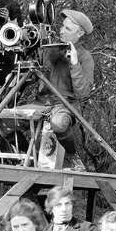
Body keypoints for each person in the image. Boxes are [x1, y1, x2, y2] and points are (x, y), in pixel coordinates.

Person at [35, 9, 94, 172]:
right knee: (5, 122)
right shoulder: (48, 49)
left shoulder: (85, 57)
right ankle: (30, 157)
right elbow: (30, 76)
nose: (61, 31)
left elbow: (83, 93)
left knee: (59, 124)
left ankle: (74, 159)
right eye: (62, 27)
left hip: (66, 105)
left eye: (68, 29)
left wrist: (74, 62)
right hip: (41, 104)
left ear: (80, 33)